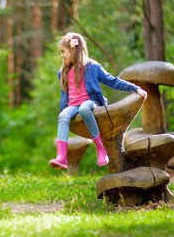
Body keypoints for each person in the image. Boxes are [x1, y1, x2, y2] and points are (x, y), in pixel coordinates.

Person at [49, 32, 147, 169]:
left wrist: (135, 88)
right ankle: (62, 157)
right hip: (73, 106)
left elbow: (112, 81)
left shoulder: (92, 67)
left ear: (73, 50)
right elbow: (64, 97)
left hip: (91, 102)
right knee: (63, 115)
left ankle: (100, 149)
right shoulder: (63, 72)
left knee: (84, 108)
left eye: (63, 51)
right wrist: (65, 112)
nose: (61, 55)